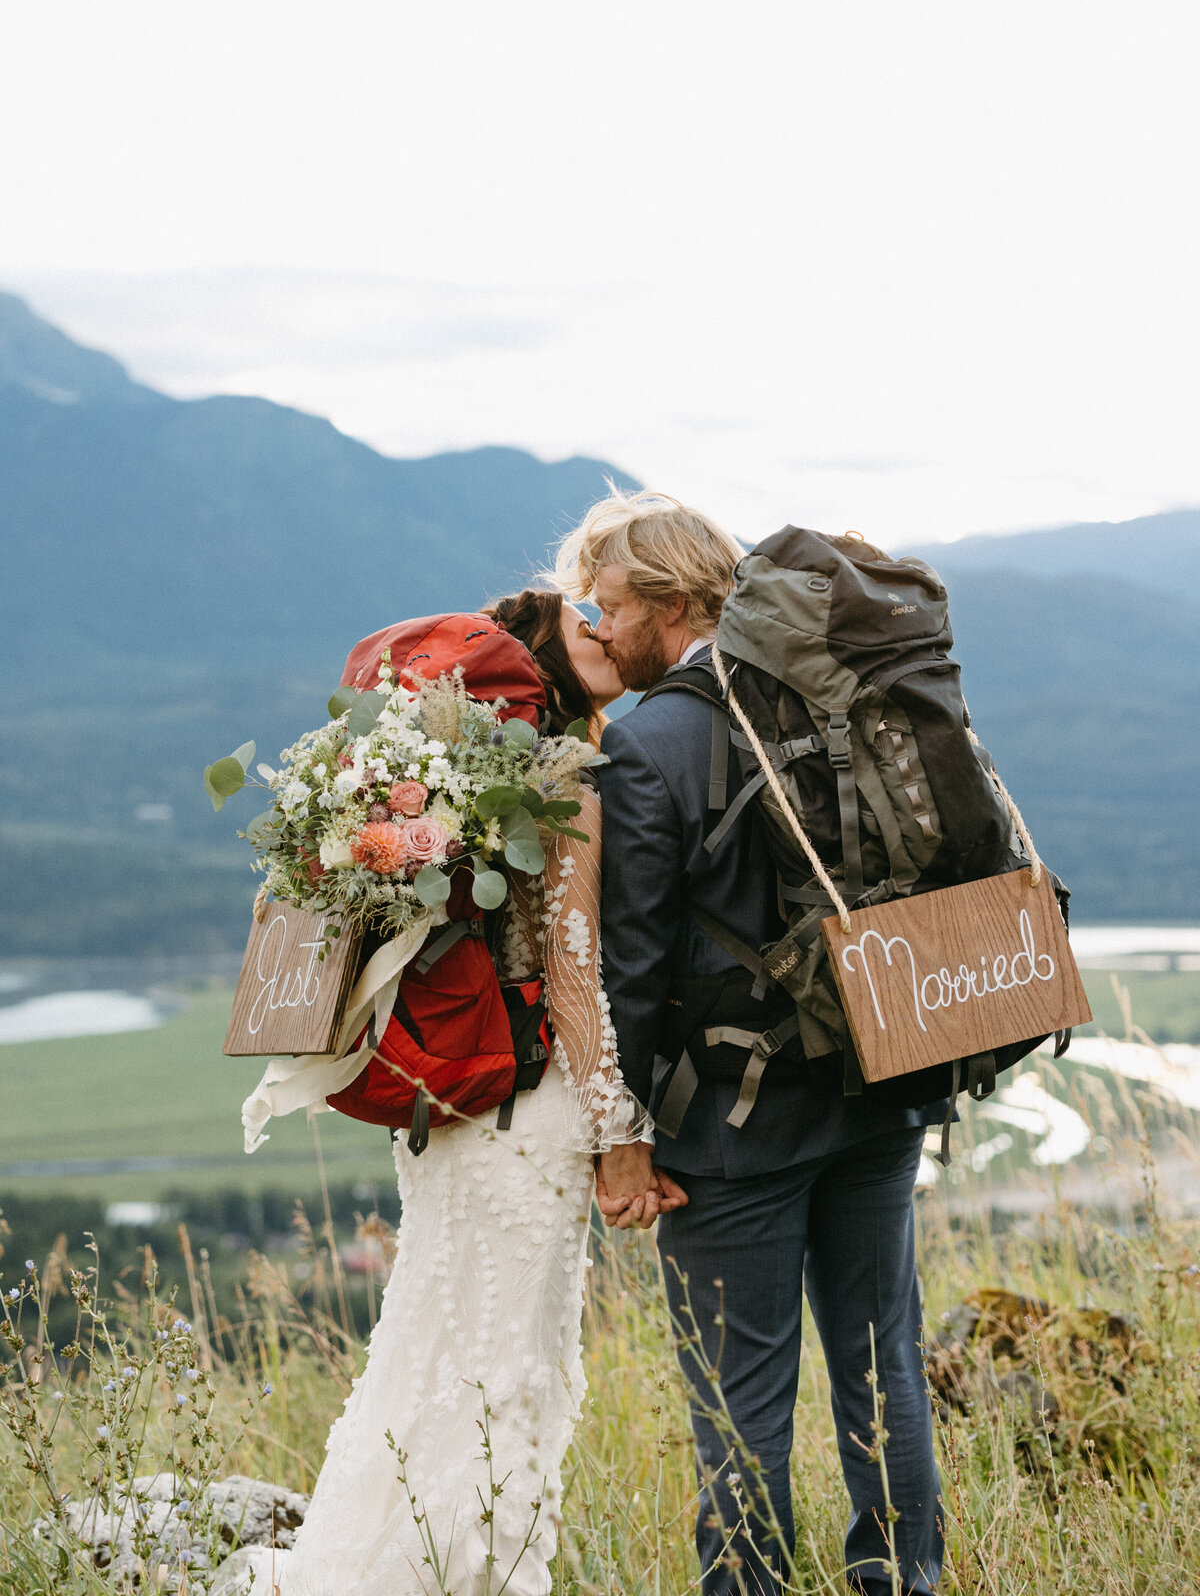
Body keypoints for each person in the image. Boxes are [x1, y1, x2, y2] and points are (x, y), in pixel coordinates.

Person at [236, 590, 665, 1596]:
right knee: (506, 1380)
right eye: (589, 609)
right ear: (538, 648)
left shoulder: (460, 787)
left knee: (427, 1357)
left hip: (445, 1098)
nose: (606, 626)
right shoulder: (556, 780)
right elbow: (573, 980)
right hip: (530, 1114)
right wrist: (621, 1134)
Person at [558, 490, 946, 1596]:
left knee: (740, 1406)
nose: (600, 623)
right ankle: (901, 1582)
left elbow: (627, 970)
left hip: (734, 1128)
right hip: (879, 1080)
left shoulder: (651, 746)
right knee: (883, 1367)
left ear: (673, 602)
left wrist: (619, 1134)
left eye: (612, 601)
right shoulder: (840, 700)